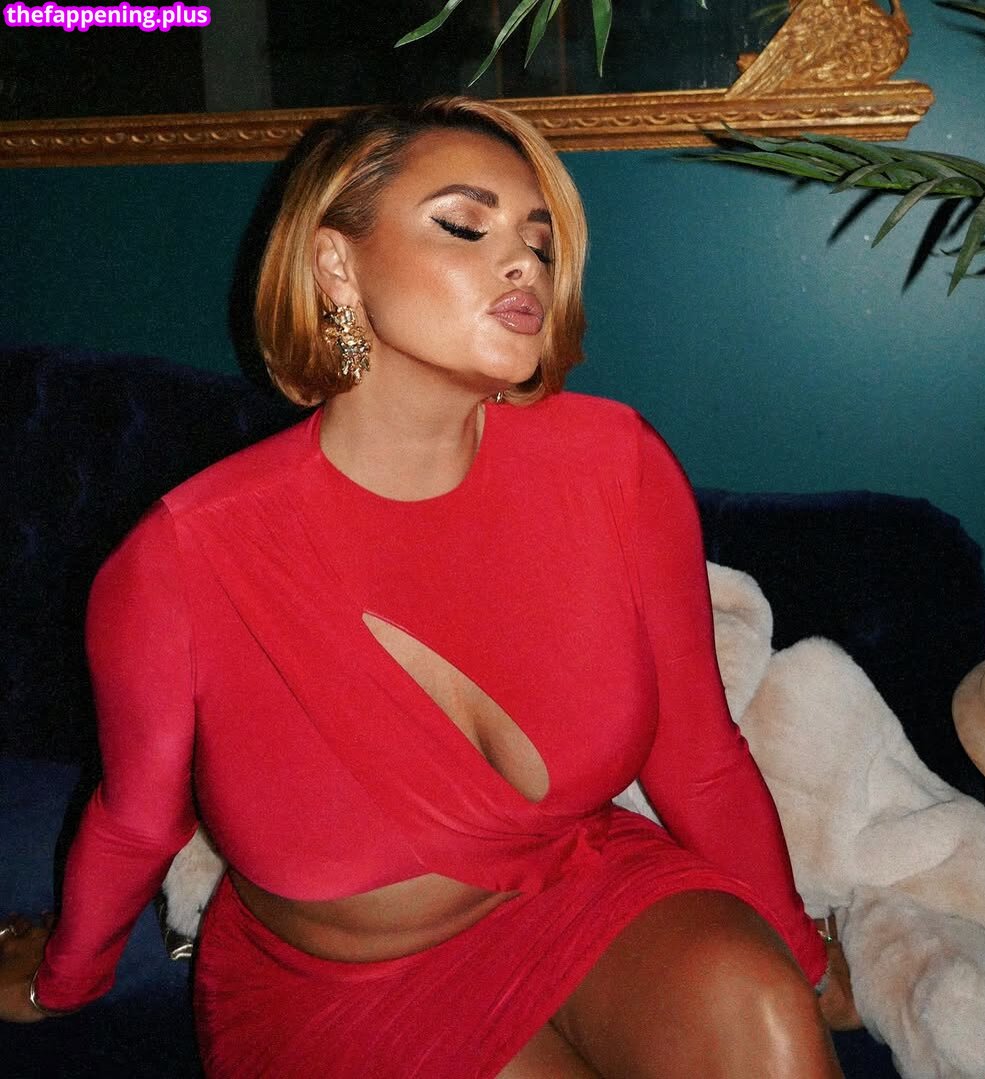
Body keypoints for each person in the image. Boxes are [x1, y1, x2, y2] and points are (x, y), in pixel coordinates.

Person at [0, 96, 855, 1076]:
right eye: (465, 225)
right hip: (337, 987)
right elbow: (138, 817)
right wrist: (63, 979)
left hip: (580, 891)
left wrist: (804, 954)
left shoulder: (616, 464)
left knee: (769, 1019)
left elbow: (697, 756)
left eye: (539, 239)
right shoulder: (183, 554)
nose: (524, 261)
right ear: (336, 265)